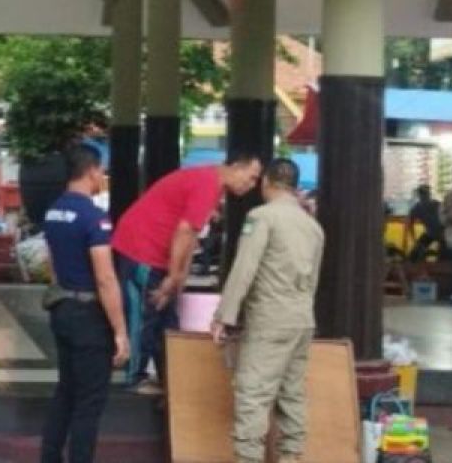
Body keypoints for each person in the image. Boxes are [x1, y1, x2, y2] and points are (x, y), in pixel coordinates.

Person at [111, 153, 263, 391]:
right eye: (252, 177)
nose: (252, 185)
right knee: (145, 314)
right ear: (236, 167)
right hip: (142, 250)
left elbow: (191, 234)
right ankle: (135, 377)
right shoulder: (207, 184)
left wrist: (179, 275)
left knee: (167, 319)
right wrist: (174, 275)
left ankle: (168, 377)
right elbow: (185, 231)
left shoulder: (209, 183)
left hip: (153, 251)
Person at [212, 158, 325, 463]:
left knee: (252, 396)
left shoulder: (262, 217)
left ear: (267, 182)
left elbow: (244, 269)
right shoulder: (313, 227)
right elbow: (313, 282)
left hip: (269, 321)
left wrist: (225, 315)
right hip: (301, 321)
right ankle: (291, 458)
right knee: (292, 397)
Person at [40, 145, 130, 463]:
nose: (102, 177)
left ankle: (49, 457)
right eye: (101, 171)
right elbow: (105, 278)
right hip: (89, 316)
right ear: (92, 171)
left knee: (66, 391)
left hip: (62, 309)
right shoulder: (94, 217)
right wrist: (120, 331)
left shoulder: (52, 211)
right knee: (89, 402)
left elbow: (52, 264)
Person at [407, 185, 443, 263]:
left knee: (444, 255)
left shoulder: (438, 205)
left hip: (442, 234)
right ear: (419, 196)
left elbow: (448, 220)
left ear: (429, 195)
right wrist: (415, 240)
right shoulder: (417, 208)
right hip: (429, 233)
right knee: (414, 255)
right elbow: (409, 224)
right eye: (422, 194)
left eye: (426, 194)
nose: (424, 197)